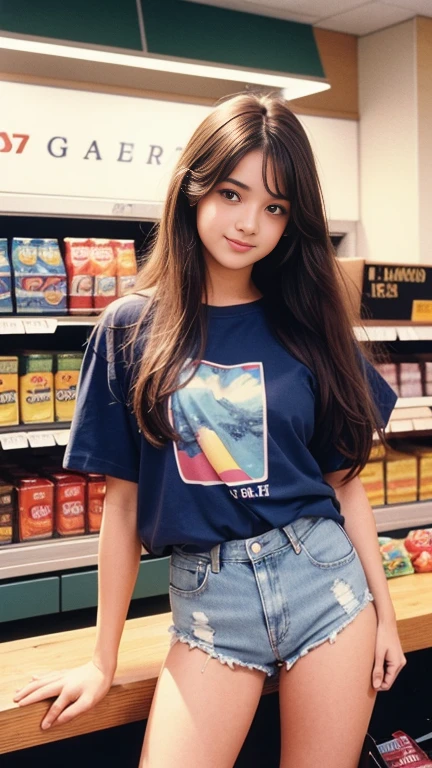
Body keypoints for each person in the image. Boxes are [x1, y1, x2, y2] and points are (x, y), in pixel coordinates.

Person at [13, 92, 405, 767]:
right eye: (232, 192)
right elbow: (123, 507)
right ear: (193, 188)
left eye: (276, 207)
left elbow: (344, 489)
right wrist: (100, 660)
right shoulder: (130, 328)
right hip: (209, 606)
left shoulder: (308, 325)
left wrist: (386, 617)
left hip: (327, 587)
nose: (249, 222)